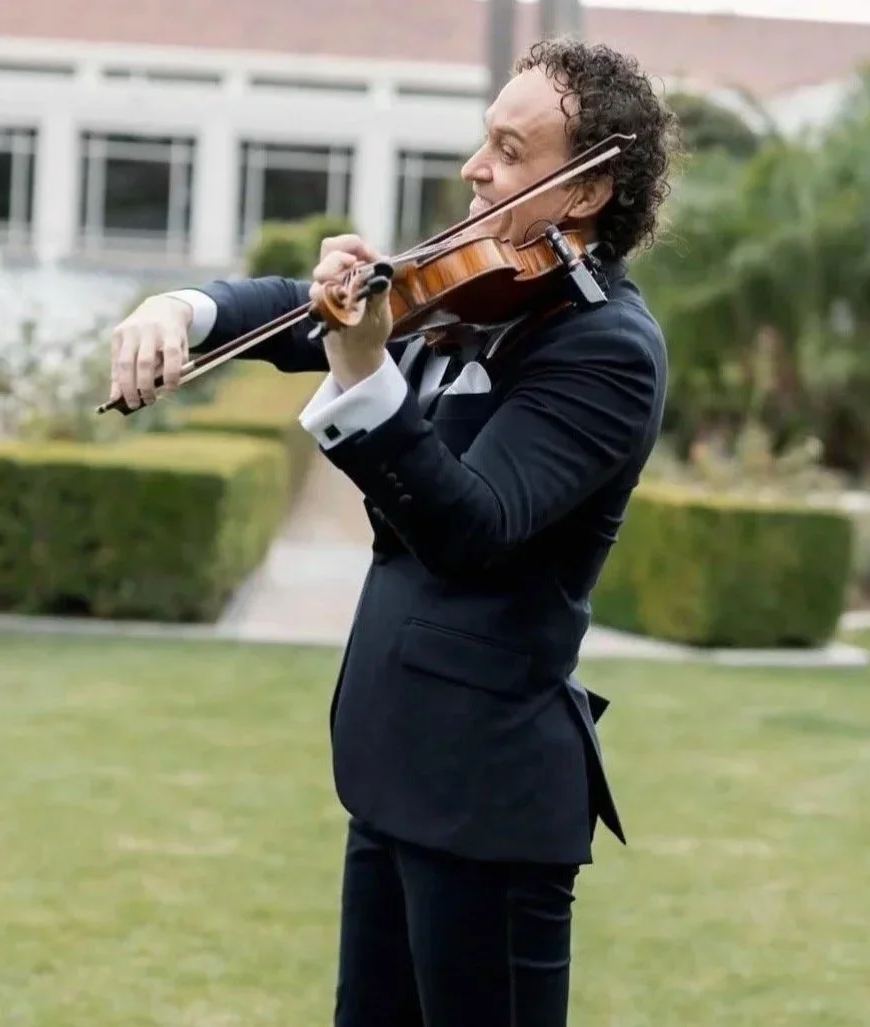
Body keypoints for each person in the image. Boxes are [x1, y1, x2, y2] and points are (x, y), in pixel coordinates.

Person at [109, 37, 679, 1027]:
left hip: (487, 801)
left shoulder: (605, 349)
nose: (476, 168)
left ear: (584, 193)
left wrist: (365, 373)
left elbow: (472, 528)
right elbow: (294, 313)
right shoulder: (467, 289)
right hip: (396, 775)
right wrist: (179, 309)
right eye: (483, 140)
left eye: (509, 149)